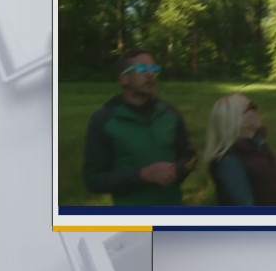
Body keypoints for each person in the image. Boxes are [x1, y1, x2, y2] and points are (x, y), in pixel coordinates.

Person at [83, 48, 196, 206]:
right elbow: (94, 180)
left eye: (154, 69)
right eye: (143, 69)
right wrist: (142, 176)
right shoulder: (104, 120)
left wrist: (178, 170)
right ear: (123, 79)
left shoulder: (170, 113)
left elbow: (191, 157)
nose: (151, 74)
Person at [202, 94, 276, 206]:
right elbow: (243, 204)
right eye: (252, 107)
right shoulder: (229, 161)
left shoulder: (260, 146)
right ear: (239, 120)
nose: (258, 110)